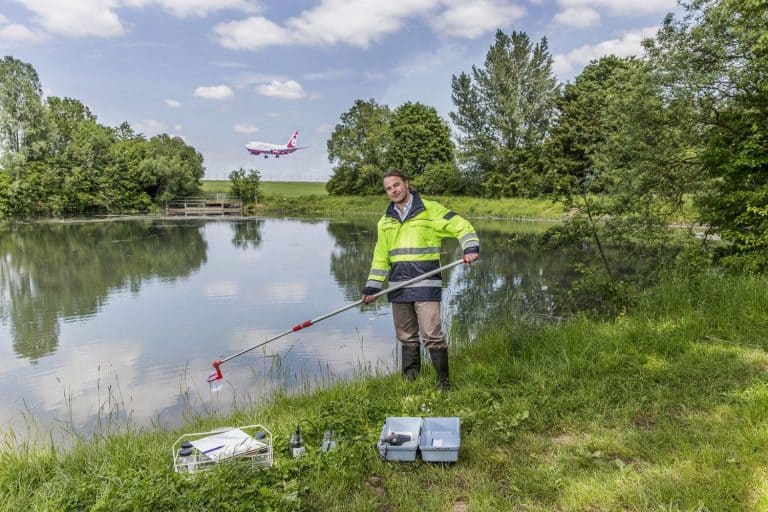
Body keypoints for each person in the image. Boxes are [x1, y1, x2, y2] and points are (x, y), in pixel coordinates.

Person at [361, 169, 480, 391]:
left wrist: (470, 247)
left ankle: (444, 385)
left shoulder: (430, 210)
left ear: (406, 183)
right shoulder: (385, 221)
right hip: (399, 286)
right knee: (406, 336)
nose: (393, 191)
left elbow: (460, 225)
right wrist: (372, 287)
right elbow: (380, 257)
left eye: (396, 185)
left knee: (432, 334)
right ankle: (410, 383)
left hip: (425, 283)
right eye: (388, 188)